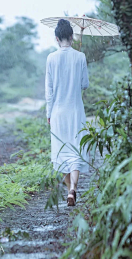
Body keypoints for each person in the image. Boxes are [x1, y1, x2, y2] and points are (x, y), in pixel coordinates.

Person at [45, 19, 90, 206]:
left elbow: (49, 92)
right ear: (72, 37)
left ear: (56, 38)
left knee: (61, 152)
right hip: (76, 112)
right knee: (76, 151)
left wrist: (49, 114)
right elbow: (84, 84)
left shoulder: (50, 58)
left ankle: (70, 190)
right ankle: (73, 189)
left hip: (57, 112)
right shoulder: (80, 56)